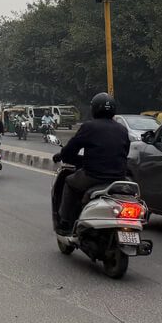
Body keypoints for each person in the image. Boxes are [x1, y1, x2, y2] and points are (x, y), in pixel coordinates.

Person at [53, 93, 131, 234]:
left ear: (94, 109)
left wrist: (63, 156)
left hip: (93, 176)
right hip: (119, 178)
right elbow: (124, 153)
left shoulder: (89, 127)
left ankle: (65, 222)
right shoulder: (122, 130)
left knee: (69, 182)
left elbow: (71, 149)